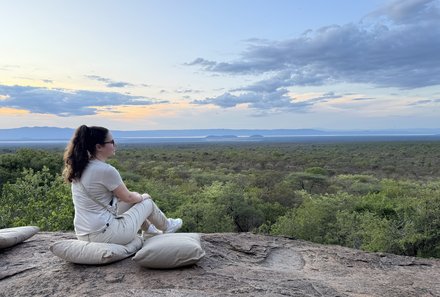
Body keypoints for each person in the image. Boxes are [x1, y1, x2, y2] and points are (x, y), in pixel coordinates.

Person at [62, 125, 182, 245]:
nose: (115, 145)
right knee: (146, 201)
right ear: (98, 147)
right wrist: (142, 197)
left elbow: (122, 199)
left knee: (131, 202)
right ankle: (167, 226)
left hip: (84, 233)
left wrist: (134, 197)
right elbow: (128, 197)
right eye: (111, 142)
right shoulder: (106, 170)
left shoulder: (80, 167)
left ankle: (151, 231)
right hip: (106, 235)